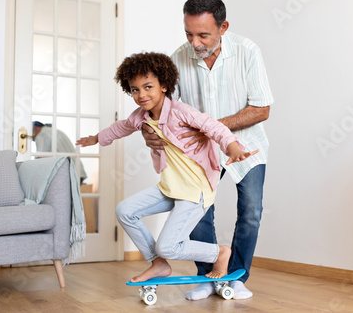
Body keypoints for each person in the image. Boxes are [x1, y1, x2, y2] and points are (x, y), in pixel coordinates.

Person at [76, 52, 258, 283]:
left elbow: (213, 127)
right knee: (125, 211)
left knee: (168, 246)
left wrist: (232, 147)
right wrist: (97, 138)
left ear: (164, 85)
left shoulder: (181, 112)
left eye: (148, 87)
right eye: (134, 89)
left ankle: (218, 253)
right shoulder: (141, 116)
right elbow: (121, 127)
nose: (141, 95)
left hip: (194, 191)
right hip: (170, 187)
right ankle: (158, 263)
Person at [142, 0, 274, 300]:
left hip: (247, 146)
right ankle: (207, 276)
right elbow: (163, 109)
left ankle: (237, 277)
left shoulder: (247, 52)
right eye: (189, 33)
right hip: (199, 154)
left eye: (203, 34)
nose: (195, 42)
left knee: (251, 211)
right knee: (198, 212)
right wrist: (150, 131)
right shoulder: (176, 59)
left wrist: (212, 129)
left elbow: (261, 109)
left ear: (223, 27)